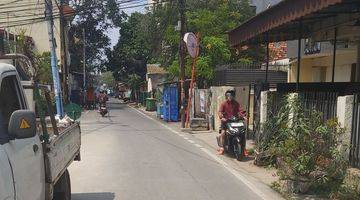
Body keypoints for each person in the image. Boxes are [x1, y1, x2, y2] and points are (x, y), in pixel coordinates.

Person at [217, 89, 247, 155]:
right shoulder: (223, 104)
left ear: (233, 96)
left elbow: (240, 110)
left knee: (242, 133)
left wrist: (244, 116)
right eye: (228, 95)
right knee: (223, 133)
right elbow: (220, 112)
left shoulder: (236, 103)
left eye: (231, 95)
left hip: (235, 121)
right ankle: (222, 148)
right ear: (226, 96)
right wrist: (222, 117)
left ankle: (244, 148)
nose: (230, 97)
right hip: (226, 122)